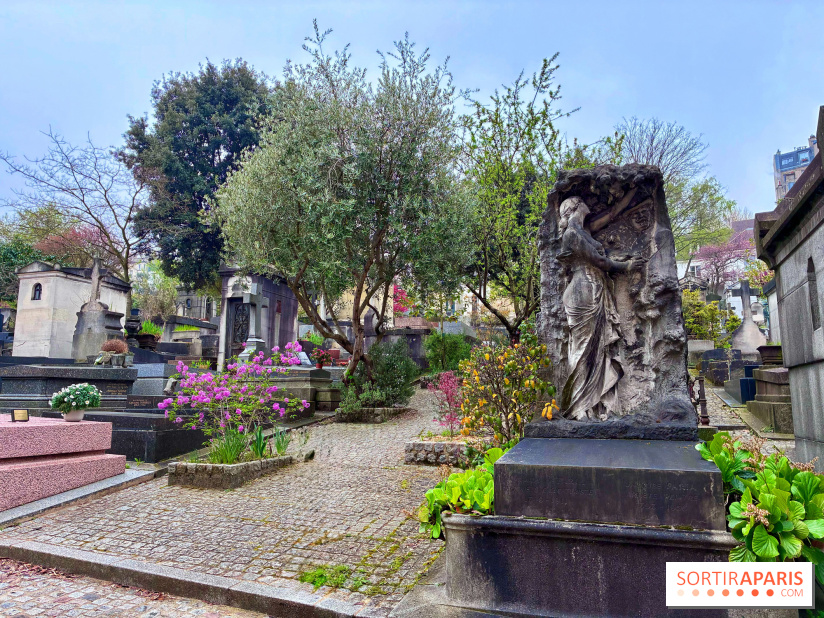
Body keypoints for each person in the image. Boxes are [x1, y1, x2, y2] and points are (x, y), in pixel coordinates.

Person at [557, 196, 645, 420]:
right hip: (583, 292)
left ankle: (593, 405)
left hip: (593, 289)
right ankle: (577, 407)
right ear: (577, 206)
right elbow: (601, 262)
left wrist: (631, 195)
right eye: (583, 200)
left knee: (595, 348)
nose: (589, 203)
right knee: (583, 348)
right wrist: (627, 265)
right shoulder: (572, 234)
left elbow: (610, 215)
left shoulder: (583, 230)